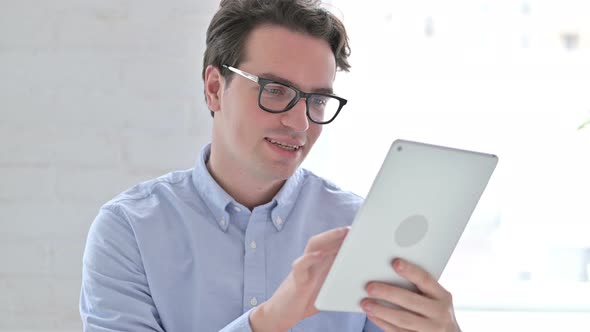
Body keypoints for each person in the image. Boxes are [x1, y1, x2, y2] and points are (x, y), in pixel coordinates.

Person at [80, 0, 462, 331]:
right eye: (275, 91)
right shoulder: (129, 231)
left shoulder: (363, 230)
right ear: (215, 88)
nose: (300, 123)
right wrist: (272, 319)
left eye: (317, 100)